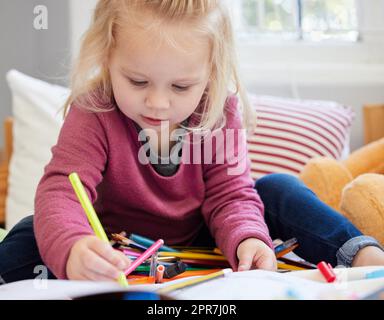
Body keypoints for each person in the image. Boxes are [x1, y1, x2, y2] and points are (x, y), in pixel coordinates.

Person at [0, 0, 383, 284]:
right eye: (137, 81)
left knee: (278, 188)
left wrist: (248, 239)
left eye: (181, 86)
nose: (158, 102)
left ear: (211, 73)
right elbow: (62, 189)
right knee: (32, 231)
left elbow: (231, 196)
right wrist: (73, 248)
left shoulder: (219, 111)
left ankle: (364, 256)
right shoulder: (95, 109)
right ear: (107, 57)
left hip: (208, 246)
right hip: (112, 250)